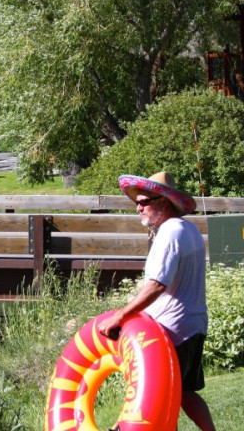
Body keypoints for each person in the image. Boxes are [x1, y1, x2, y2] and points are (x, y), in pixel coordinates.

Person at [98, 172, 215, 431]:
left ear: (163, 202)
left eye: (144, 202)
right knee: (183, 392)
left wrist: (121, 315)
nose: (138, 207)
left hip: (172, 329)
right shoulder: (188, 229)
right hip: (193, 324)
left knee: (158, 394)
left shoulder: (169, 233)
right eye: (136, 203)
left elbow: (156, 285)